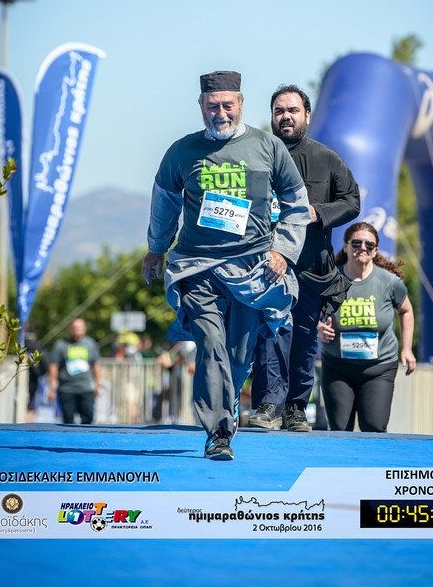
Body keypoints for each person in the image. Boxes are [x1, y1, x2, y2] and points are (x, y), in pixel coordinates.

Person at [142, 70, 310, 460]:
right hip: (197, 266)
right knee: (210, 344)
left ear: (241, 104)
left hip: (253, 270)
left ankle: (228, 397)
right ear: (201, 106)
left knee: (238, 355)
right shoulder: (182, 152)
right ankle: (218, 432)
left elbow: (296, 203)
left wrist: (283, 251)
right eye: (212, 106)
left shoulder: (268, 146)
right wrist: (156, 248)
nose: (220, 113)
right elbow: (164, 204)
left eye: (227, 105)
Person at [248, 85, 360, 431]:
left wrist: (318, 212)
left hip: (311, 269)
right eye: (279, 111)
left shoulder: (327, 159)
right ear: (272, 116)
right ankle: (269, 404)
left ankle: (296, 407)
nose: (286, 116)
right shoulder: (255, 155)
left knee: (304, 338)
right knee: (270, 334)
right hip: (267, 268)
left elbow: (352, 202)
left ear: (307, 116)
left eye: (293, 110)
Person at [317, 221, 416, 432]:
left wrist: (407, 349)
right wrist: (319, 327)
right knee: (340, 429)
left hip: (379, 368)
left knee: (374, 426)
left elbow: (406, 311)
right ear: (345, 246)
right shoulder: (330, 279)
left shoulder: (389, 282)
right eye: (356, 243)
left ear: (375, 251)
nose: (362, 248)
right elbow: (310, 312)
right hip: (338, 367)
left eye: (369, 245)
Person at [47, 317, 102, 424]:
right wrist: (52, 387)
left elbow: (96, 365)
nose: (77, 330)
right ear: (69, 329)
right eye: (75, 327)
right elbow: (53, 366)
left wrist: (97, 384)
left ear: (85, 329)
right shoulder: (60, 345)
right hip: (67, 389)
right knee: (68, 421)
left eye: (80, 327)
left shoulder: (90, 344)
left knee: (88, 418)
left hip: (86, 389)